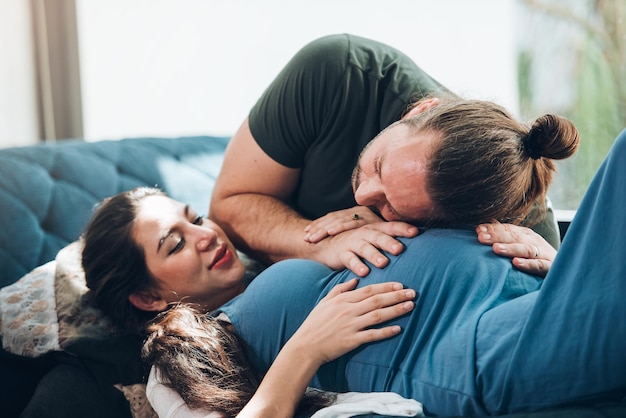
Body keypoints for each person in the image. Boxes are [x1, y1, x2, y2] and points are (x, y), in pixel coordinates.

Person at [144, 127, 626, 417]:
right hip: (475, 346)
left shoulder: (304, 243)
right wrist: (306, 348)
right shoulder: (175, 362)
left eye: (194, 218)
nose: (204, 233)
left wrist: (552, 261)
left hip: (532, 295)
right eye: (175, 244)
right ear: (146, 297)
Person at [209, 33, 564, 278]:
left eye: (393, 207)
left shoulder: (517, 208)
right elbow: (228, 206)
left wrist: (557, 270)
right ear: (419, 110)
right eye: (378, 165)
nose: (362, 196)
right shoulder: (338, 72)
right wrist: (324, 244)